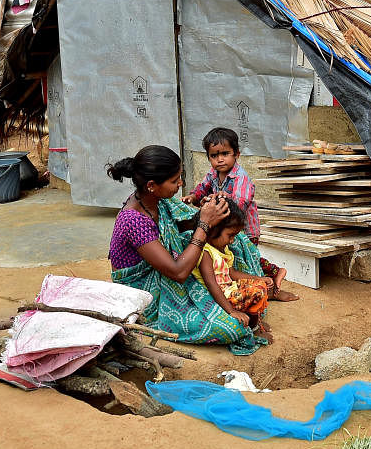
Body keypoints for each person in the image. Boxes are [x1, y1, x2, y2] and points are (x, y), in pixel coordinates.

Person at [106, 145, 268, 355]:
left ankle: (239, 286)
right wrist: (204, 224)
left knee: (233, 237)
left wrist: (211, 209)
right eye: (175, 180)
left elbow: (185, 222)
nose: (180, 184)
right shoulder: (133, 220)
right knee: (232, 328)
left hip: (170, 270)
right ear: (152, 185)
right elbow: (178, 272)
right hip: (144, 294)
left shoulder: (157, 201)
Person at [182, 127, 300, 301]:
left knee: (247, 260)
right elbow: (202, 188)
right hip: (226, 228)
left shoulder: (241, 177)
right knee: (233, 260)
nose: (220, 159)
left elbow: (240, 202)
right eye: (214, 156)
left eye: (225, 154)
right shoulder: (213, 174)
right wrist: (193, 196)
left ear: (236, 154)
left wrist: (223, 198)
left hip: (244, 230)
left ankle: (271, 290)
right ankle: (269, 275)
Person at [193, 198, 274, 341]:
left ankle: (256, 322)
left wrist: (259, 279)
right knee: (256, 292)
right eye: (230, 235)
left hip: (230, 289)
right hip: (220, 296)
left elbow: (232, 273)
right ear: (213, 229)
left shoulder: (223, 249)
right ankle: (254, 328)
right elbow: (211, 284)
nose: (232, 241)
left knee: (260, 286)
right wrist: (231, 311)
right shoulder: (205, 252)